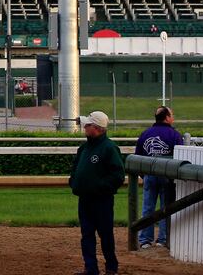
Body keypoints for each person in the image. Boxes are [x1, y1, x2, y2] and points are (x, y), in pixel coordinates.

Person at [70, 111, 124, 275]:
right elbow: (75, 169)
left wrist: (99, 187)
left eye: (88, 125)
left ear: (98, 128)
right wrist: (74, 182)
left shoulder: (109, 148)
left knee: (105, 234)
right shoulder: (84, 148)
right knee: (86, 234)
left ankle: (111, 267)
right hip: (85, 199)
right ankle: (90, 268)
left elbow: (118, 175)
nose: (85, 127)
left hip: (102, 200)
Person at [135, 106, 184, 249]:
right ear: (167, 118)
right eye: (172, 115)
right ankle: (162, 239)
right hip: (167, 175)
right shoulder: (175, 135)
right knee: (165, 208)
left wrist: (144, 175)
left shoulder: (145, 134)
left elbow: (138, 157)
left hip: (149, 174)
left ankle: (145, 239)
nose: (173, 117)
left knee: (147, 207)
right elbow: (180, 158)